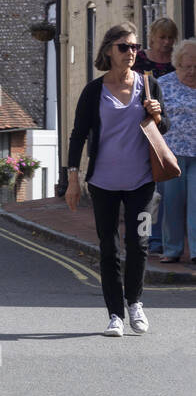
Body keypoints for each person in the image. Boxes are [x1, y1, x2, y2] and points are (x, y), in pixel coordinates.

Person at [66, 22, 168, 337]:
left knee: (138, 244)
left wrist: (157, 116)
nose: (131, 53)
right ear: (109, 50)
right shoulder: (94, 91)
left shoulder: (149, 86)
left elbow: (162, 134)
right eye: (124, 47)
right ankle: (114, 315)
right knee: (109, 248)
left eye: (135, 47)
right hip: (103, 184)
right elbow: (78, 135)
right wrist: (72, 178)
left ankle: (134, 304)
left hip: (142, 182)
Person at [138, 18, 178, 250]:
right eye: (162, 37)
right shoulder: (140, 60)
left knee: (163, 191)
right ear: (152, 36)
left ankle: (158, 238)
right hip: (143, 130)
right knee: (146, 191)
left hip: (168, 132)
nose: (166, 42)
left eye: (170, 38)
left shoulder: (177, 62)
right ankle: (145, 237)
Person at [157, 39, 196, 264]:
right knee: (171, 203)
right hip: (171, 155)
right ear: (177, 64)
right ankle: (172, 249)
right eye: (186, 66)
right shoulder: (163, 85)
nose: (191, 71)